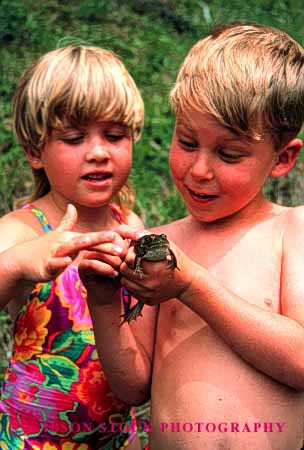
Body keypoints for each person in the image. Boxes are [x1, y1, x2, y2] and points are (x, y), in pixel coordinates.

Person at [83, 23, 304, 450]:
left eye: (229, 154)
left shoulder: (290, 229)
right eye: (187, 142)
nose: (199, 170)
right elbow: (134, 387)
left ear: (282, 159)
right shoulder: (160, 244)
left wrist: (190, 285)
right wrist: (105, 300)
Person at [0, 44, 145, 449]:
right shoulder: (22, 232)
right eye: (75, 137)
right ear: (34, 152)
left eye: (114, 135)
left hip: (116, 435)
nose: (98, 152)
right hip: (33, 440)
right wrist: (15, 265)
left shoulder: (128, 225)